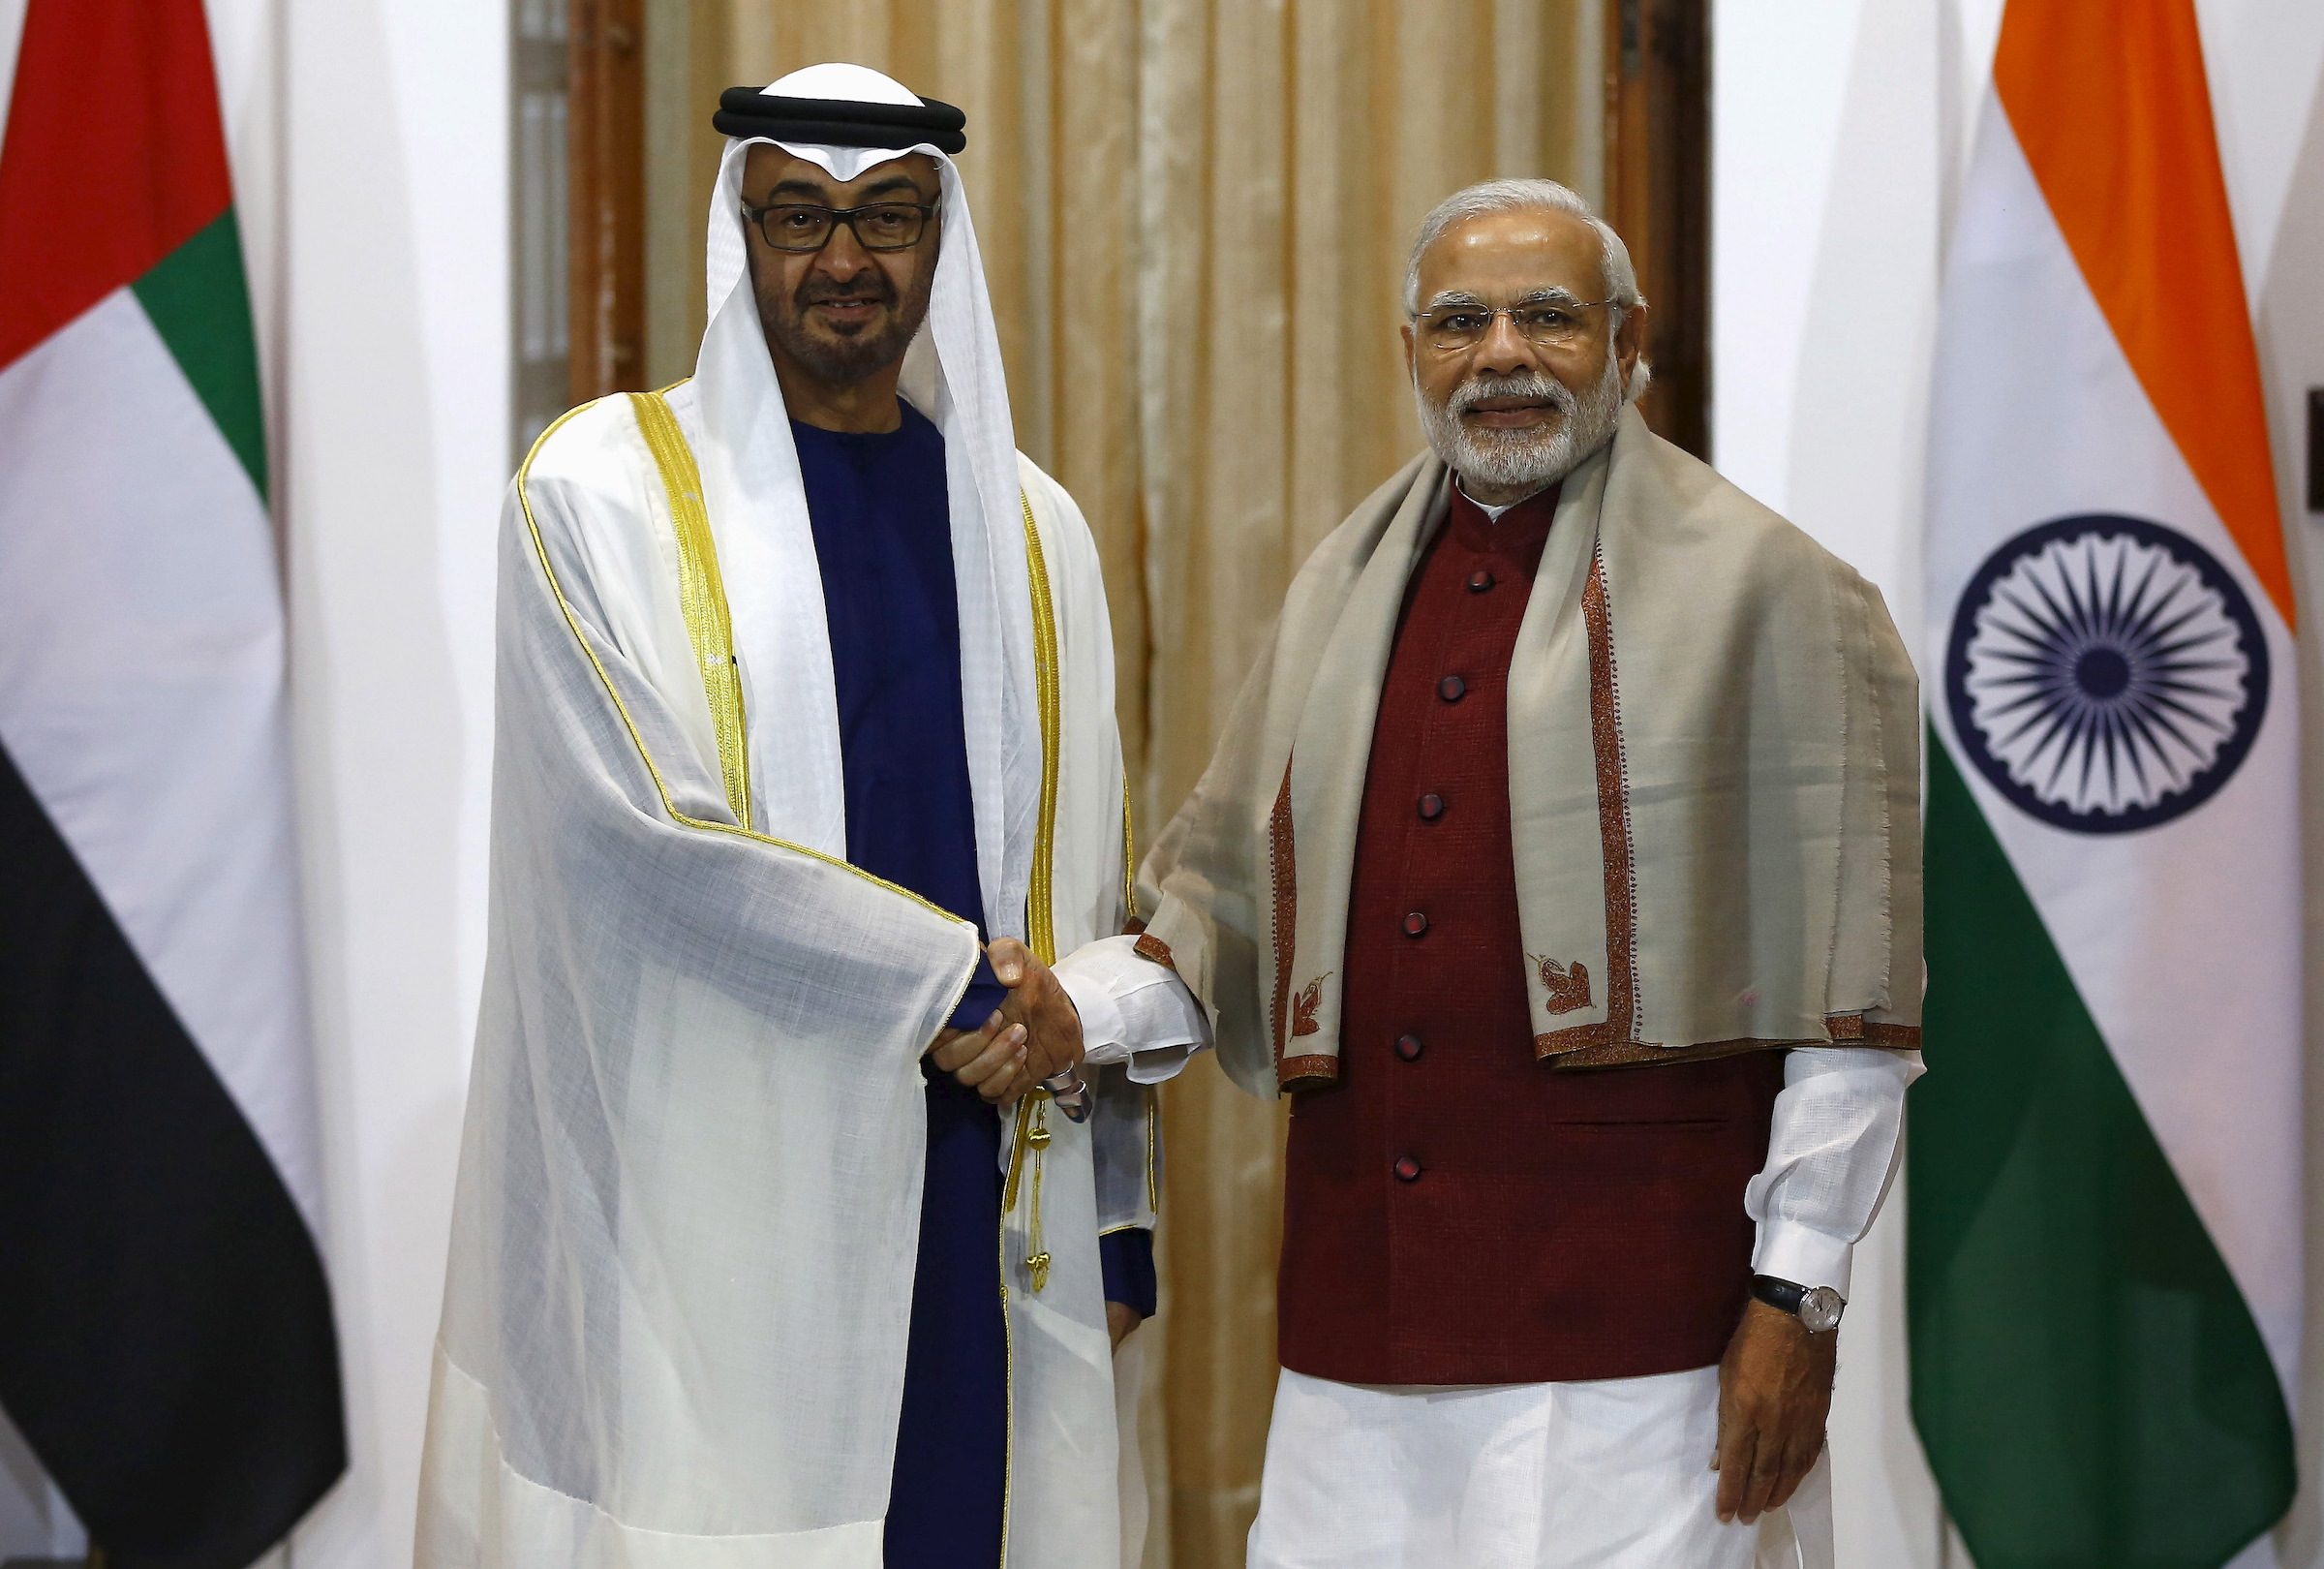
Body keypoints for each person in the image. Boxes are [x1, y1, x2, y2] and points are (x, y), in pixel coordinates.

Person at [1059, 178, 1924, 1567]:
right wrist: (1069, 1015)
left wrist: (1797, 1302)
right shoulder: (1342, 592)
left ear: (1630, 341)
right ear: (1413, 355)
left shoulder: (1779, 595)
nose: (1503, 352)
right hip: (1361, 1335)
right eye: (1461, 321)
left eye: (1549, 317)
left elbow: (1850, 1012)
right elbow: (1214, 923)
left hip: (1638, 1349)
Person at [417, 62, 1183, 1569]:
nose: (844, 260)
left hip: (984, 1175)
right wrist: (962, 984)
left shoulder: (1031, 525)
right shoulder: (604, 492)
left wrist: (1116, 1216)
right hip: (715, 1192)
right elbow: (642, 844)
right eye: (799, 219)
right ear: (743, 234)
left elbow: (1082, 873)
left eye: (887, 216)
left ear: (938, 238)